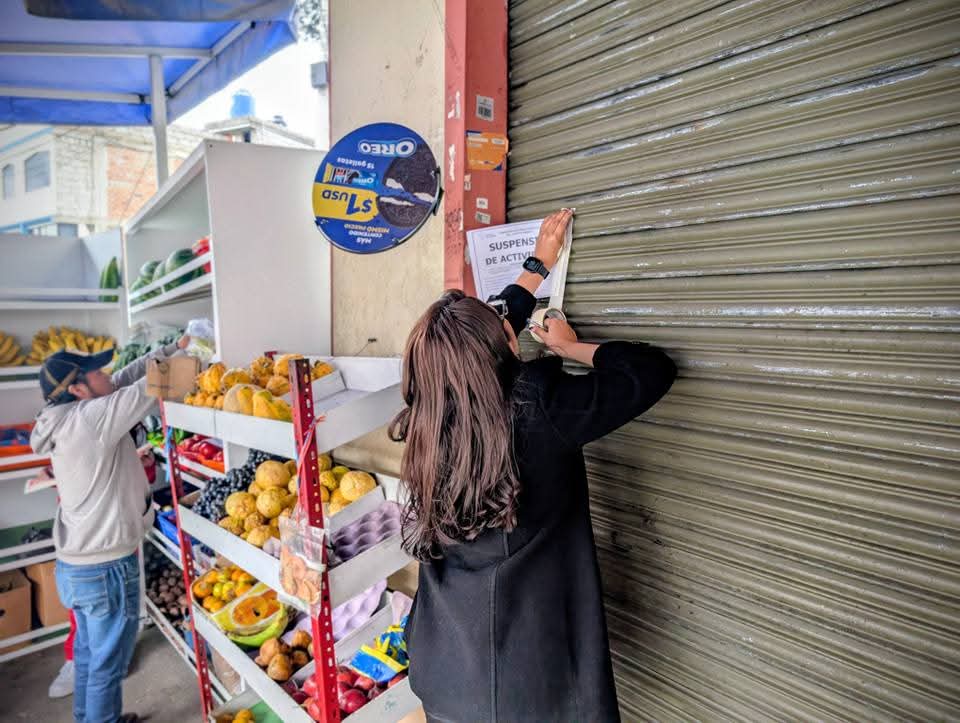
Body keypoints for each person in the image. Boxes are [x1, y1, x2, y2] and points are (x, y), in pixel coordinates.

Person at [390, 209, 677, 722]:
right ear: (502, 348)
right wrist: (571, 347)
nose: (511, 323)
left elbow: (489, 330)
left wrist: (537, 266)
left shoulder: (425, 424)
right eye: (506, 327)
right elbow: (650, 371)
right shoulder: (537, 410)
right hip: (522, 689)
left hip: (445, 664)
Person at [30, 337, 188, 723]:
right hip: (105, 569)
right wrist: (190, 357)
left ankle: (91, 719)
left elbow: (124, 380)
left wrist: (172, 347)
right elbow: (151, 387)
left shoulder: (65, 415)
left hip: (76, 565)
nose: (108, 374)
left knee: (88, 656)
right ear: (77, 389)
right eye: (98, 372)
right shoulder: (91, 419)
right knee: (107, 666)